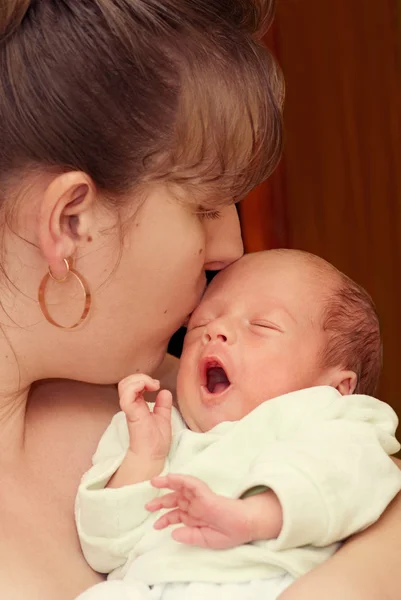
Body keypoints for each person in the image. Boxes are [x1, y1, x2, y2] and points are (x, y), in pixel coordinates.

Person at [0, 1, 400, 599]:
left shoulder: (172, 392)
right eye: (207, 207)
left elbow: (365, 472)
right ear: (73, 220)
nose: (232, 250)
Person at [75, 250, 401, 600]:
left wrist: (254, 517)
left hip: (267, 580)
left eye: (261, 326)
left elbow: (354, 476)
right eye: (200, 324)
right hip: (150, 588)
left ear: (336, 388)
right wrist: (143, 459)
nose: (215, 331)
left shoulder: (326, 417)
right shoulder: (153, 428)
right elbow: (104, 549)